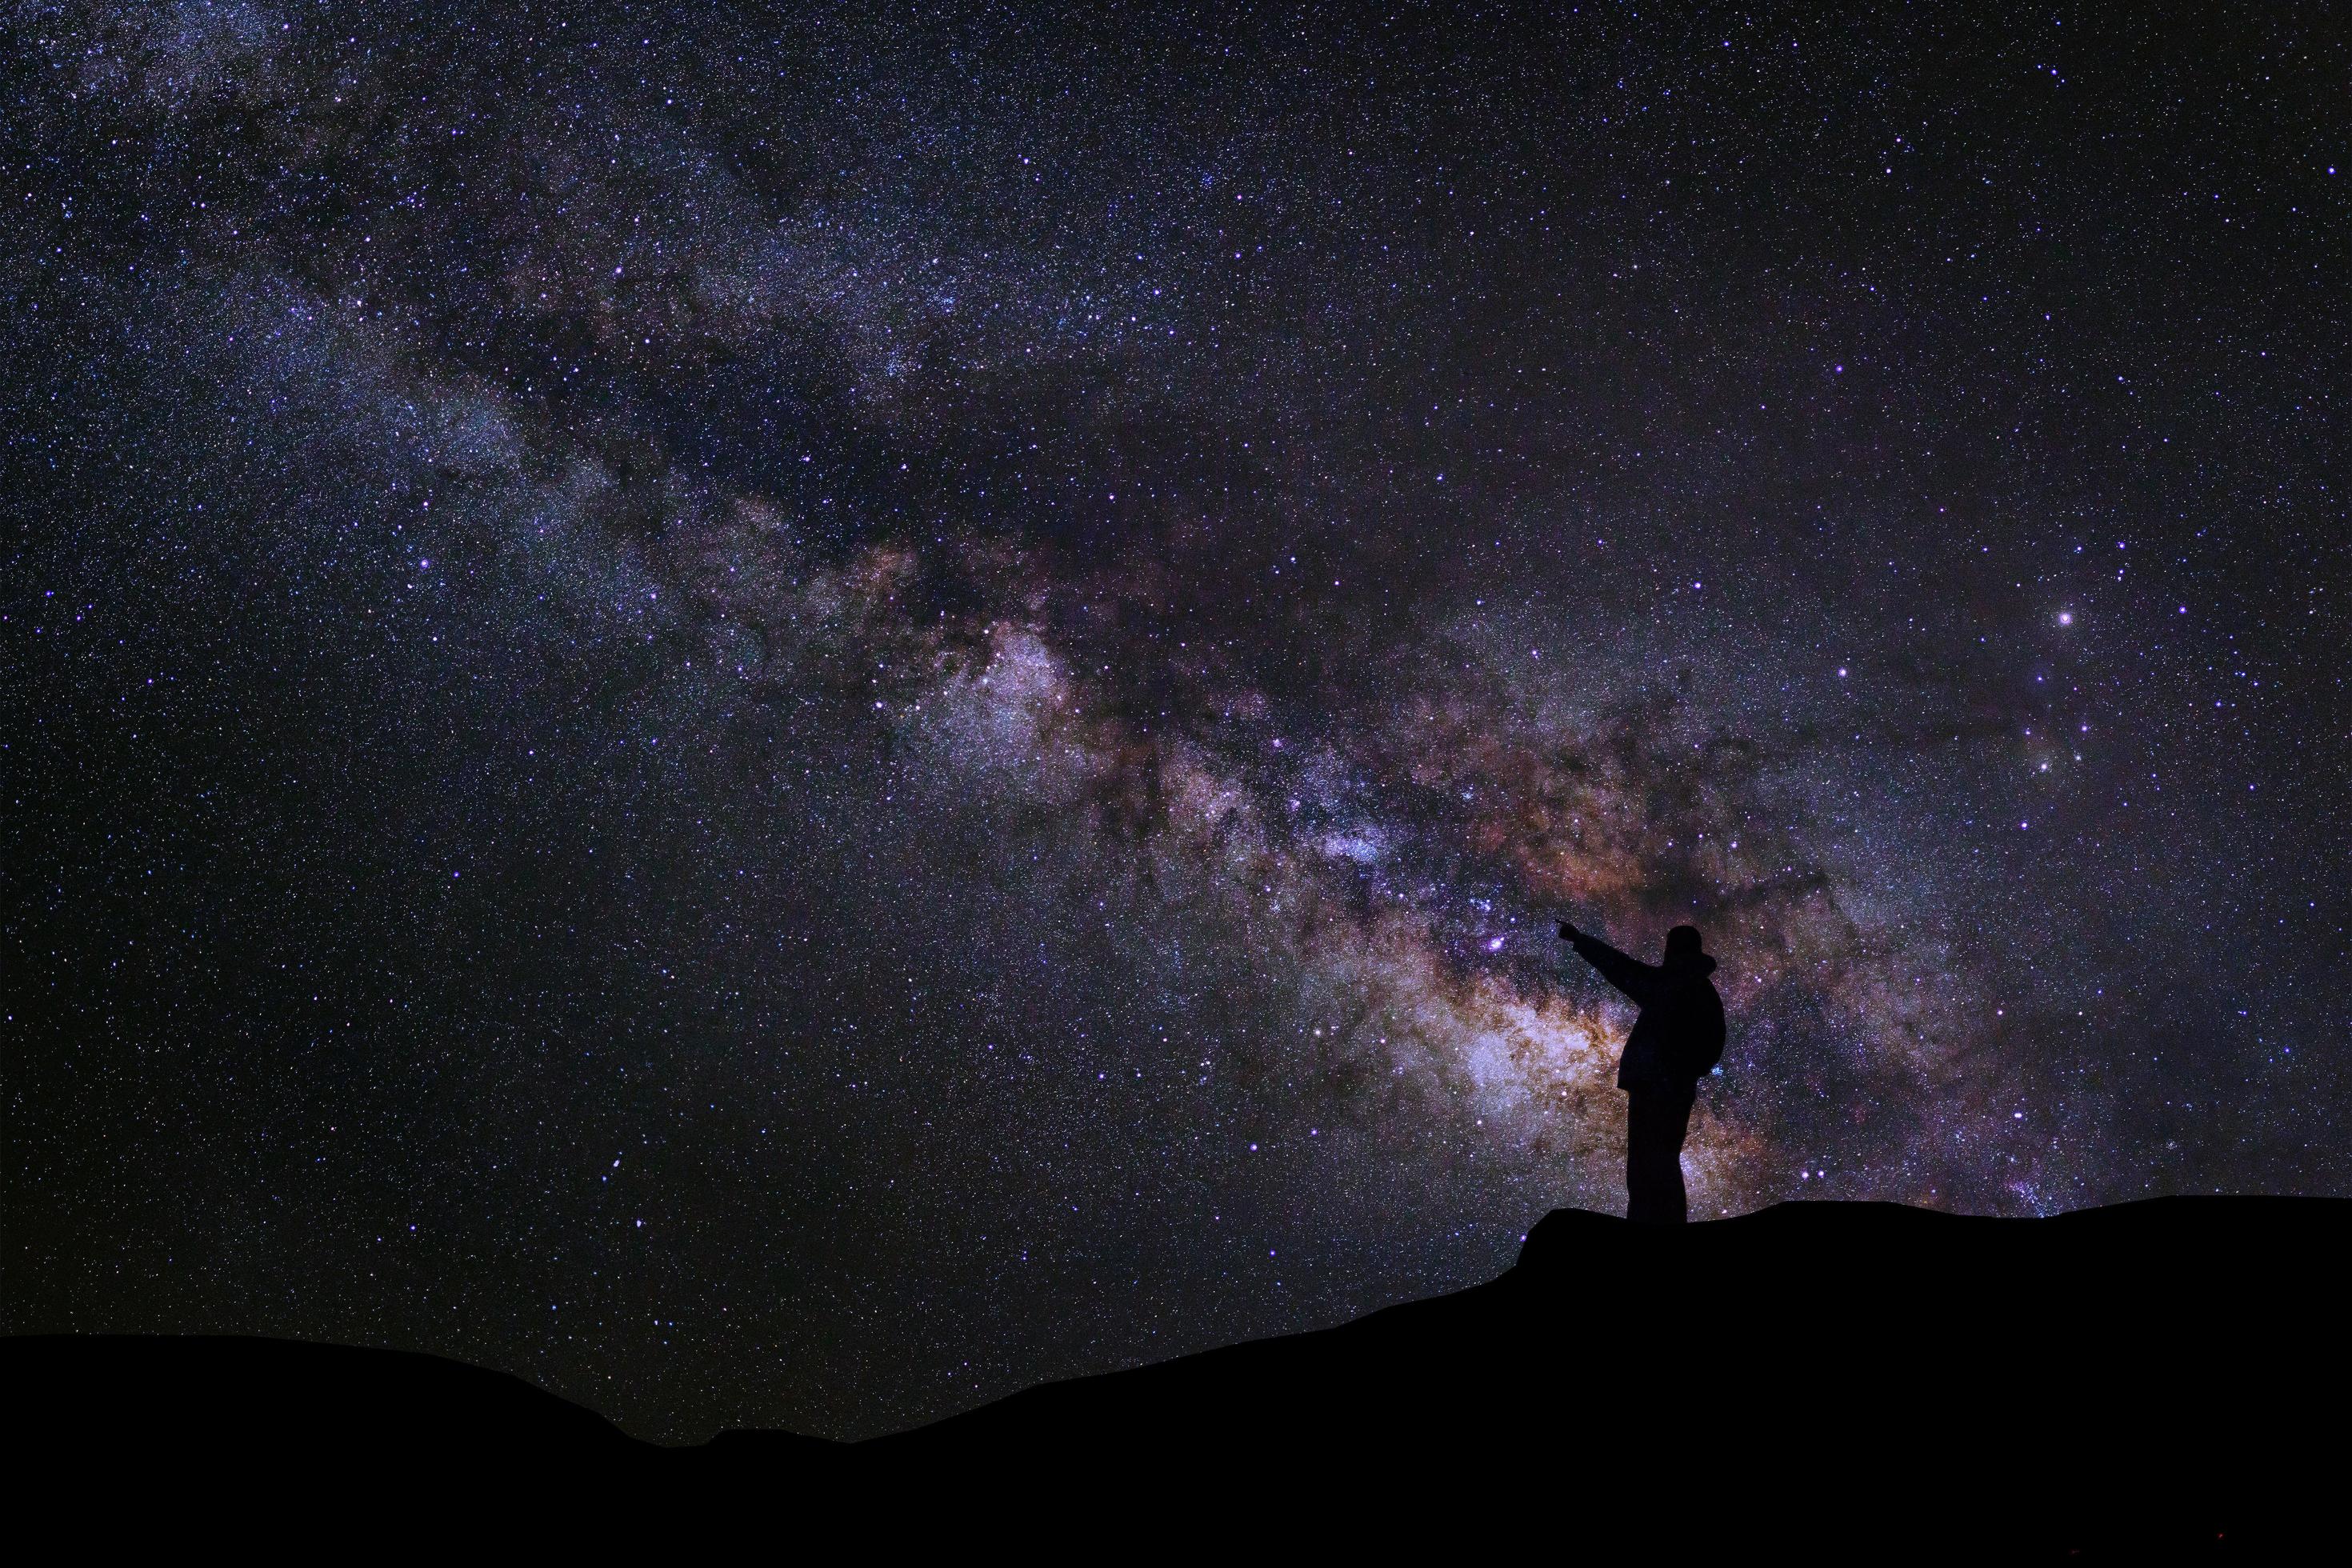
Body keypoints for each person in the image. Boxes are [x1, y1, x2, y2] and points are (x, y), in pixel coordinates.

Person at [1557, 920, 1725, 1224]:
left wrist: (1580, 941)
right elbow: (1714, 1043)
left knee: (1649, 1162)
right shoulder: (1696, 990)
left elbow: (1622, 969)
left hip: (1656, 1085)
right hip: (1669, 1085)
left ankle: (1650, 1229)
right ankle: (1662, 1225)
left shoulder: (1670, 986)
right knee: (1661, 1160)